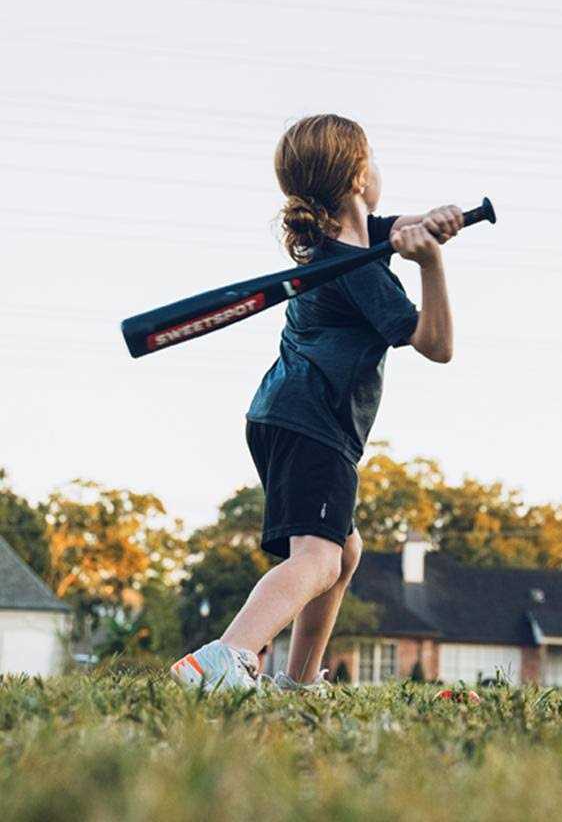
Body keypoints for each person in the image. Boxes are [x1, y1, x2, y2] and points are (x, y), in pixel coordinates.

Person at [171, 114, 463, 691]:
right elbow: (438, 346)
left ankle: (300, 680)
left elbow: (392, 226)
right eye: (373, 157)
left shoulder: (344, 242)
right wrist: (431, 263)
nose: (380, 168)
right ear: (358, 176)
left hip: (282, 413)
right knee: (319, 559)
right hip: (315, 420)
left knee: (343, 549)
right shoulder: (357, 274)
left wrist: (434, 223)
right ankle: (223, 658)